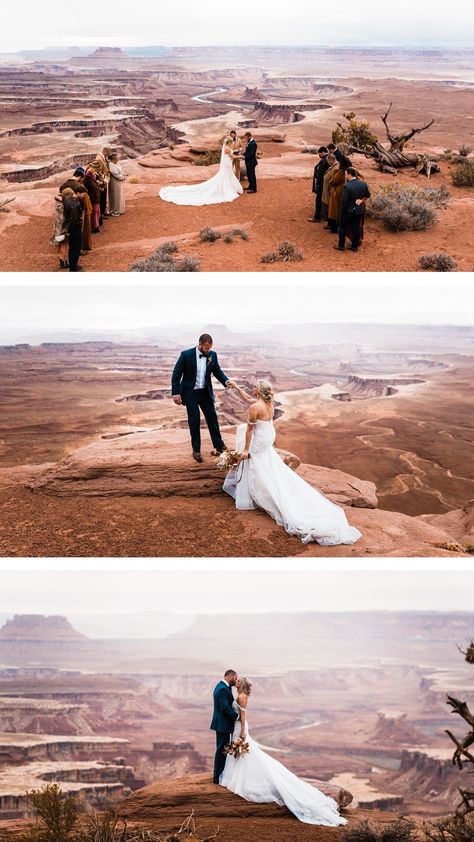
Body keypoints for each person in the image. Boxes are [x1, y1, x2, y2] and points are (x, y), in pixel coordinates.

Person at [223, 379, 361, 545]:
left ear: (259, 391)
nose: (251, 388)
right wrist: (237, 387)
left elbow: (250, 430)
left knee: (252, 453)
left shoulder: (255, 407)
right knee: (267, 462)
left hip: (260, 439)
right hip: (268, 436)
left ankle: (261, 492)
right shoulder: (268, 403)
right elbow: (247, 399)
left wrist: (245, 450)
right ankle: (266, 485)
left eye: (254, 387)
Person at [219, 676, 347, 826]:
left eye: (239, 680)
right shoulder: (241, 695)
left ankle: (242, 779)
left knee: (247, 754)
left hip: (239, 728)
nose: (237, 681)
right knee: (245, 754)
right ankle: (237, 776)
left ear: (243, 684)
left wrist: (241, 734)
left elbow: (243, 715)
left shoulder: (241, 697)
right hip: (238, 727)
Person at [171, 333, 234, 462]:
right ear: (200, 344)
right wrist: (176, 393)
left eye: (209, 348)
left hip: (205, 392)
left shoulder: (212, 355)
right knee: (194, 421)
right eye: (206, 348)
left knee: (212, 419)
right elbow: (176, 374)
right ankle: (196, 450)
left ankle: (219, 446)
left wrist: (226, 381)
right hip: (191, 394)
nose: (208, 351)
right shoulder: (186, 355)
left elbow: (217, 371)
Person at [160, 138, 243, 206]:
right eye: (231, 142)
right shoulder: (228, 149)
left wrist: (236, 156)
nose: (232, 143)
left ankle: (229, 188)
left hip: (227, 164)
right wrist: (240, 156)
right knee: (226, 176)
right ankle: (227, 190)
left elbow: (230, 156)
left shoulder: (225, 148)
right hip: (228, 164)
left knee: (226, 176)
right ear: (229, 143)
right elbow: (232, 156)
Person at [210, 669, 239, 785]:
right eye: (235, 678)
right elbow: (225, 707)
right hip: (223, 725)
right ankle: (217, 777)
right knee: (222, 750)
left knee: (223, 749)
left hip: (223, 724)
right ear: (231, 676)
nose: (236, 681)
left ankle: (220, 774)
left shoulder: (223, 686)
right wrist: (237, 717)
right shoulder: (222, 689)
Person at [334, 167, 371, 253]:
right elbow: (368, 195)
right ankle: (354, 246)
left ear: (350, 175)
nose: (345, 176)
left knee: (342, 227)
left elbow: (344, 202)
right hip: (358, 210)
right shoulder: (363, 184)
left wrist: (343, 212)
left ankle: (341, 245)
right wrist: (361, 200)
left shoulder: (347, 186)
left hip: (347, 211)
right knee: (356, 228)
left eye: (345, 174)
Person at [326, 156, 352, 234]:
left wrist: (334, 175)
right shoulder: (350, 170)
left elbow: (333, 181)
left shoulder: (341, 172)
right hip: (343, 193)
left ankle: (335, 228)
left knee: (336, 211)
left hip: (338, 193)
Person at [62, 185, 84, 272]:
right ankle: (73, 269)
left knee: (71, 248)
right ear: (78, 193)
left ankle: (72, 267)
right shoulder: (75, 204)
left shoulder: (67, 200)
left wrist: (67, 230)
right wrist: (70, 230)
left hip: (70, 228)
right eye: (82, 194)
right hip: (75, 229)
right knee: (76, 249)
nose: (83, 196)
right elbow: (74, 219)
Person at [50, 191, 69, 269]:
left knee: (59, 246)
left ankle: (61, 261)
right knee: (64, 246)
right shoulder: (62, 206)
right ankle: (64, 262)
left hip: (57, 229)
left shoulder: (57, 205)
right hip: (62, 229)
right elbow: (63, 219)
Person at [93, 147, 111, 221]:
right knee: (102, 197)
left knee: (103, 197)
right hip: (101, 181)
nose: (108, 155)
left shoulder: (102, 157)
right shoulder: (99, 158)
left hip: (104, 180)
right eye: (108, 153)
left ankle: (103, 212)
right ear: (105, 151)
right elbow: (98, 171)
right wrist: (103, 180)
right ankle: (101, 214)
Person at [84, 164, 102, 233]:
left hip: (95, 198)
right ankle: (94, 227)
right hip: (93, 198)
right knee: (94, 213)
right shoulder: (88, 179)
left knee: (96, 212)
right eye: (93, 169)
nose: (94, 171)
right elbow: (90, 188)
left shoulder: (91, 178)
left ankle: (96, 226)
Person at [321, 153, 338, 222]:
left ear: (331, 160)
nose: (328, 163)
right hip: (327, 190)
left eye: (328, 161)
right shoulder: (333, 166)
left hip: (329, 190)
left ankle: (330, 222)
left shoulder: (335, 167)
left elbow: (334, 180)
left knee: (330, 207)